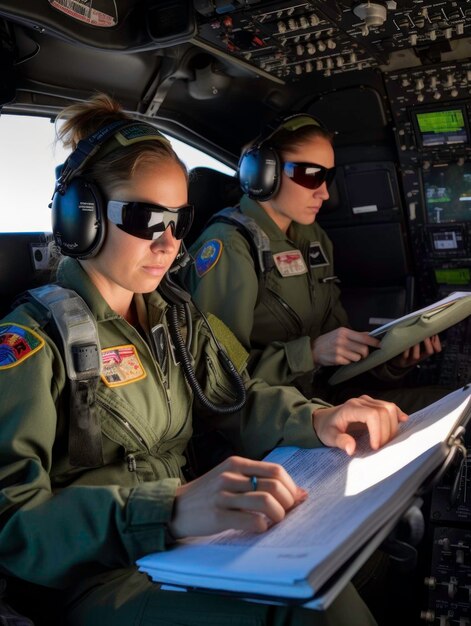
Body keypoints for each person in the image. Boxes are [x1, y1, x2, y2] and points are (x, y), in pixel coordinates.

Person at [0, 95, 409, 626]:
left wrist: (315, 419)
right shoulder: (31, 343)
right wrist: (166, 509)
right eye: (146, 218)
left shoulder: (175, 317)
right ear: (83, 218)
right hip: (95, 577)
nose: (168, 243)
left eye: (177, 220)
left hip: (184, 541)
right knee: (304, 615)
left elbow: (234, 398)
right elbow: (12, 523)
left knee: (342, 580)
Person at [183, 113, 447, 412]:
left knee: (452, 403)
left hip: (323, 400)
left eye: (328, 177)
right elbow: (216, 379)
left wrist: (393, 362)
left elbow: (337, 348)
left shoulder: (312, 237)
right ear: (263, 173)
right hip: (271, 418)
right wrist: (307, 353)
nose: (323, 192)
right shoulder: (229, 248)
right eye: (311, 174)